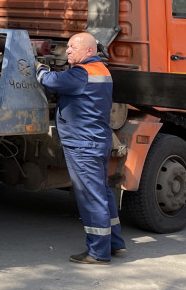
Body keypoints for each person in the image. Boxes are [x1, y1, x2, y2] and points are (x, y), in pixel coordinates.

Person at [36, 32, 125, 265]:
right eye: (67, 47)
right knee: (102, 192)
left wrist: (38, 68)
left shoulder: (81, 73)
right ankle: (114, 242)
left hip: (84, 143)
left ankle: (98, 252)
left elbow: (52, 82)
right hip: (98, 140)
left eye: (72, 47)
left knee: (90, 196)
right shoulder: (102, 71)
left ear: (88, 51)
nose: (67, 51)